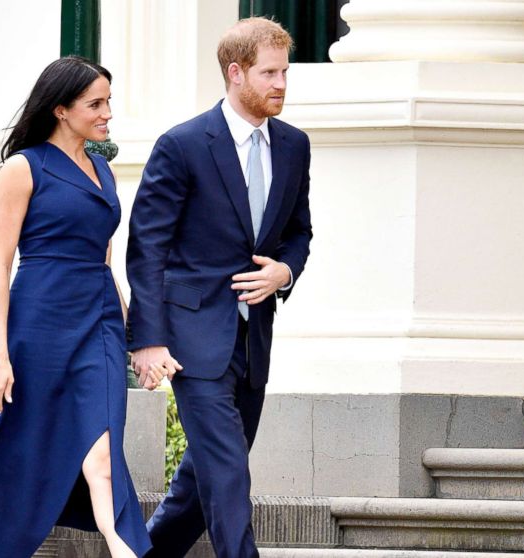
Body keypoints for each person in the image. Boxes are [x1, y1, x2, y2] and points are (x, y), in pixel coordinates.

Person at [0, 56, 151, 558]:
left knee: (104, 444)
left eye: (108, 101)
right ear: (60, 109)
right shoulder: (23, 168)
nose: (107, 112)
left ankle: (121, 544)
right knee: (27, 438)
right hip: (41, 320)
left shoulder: (103, 170)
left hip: (99, 321)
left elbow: (107, 260)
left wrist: (134, 337)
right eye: (96, 103)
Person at [126, 17, 312, 558]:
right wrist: (148, 339)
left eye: (284, 72)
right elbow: (148, 248)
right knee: (228, 470)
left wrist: (286, 271)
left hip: (253, 340)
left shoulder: (295, 146)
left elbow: (299, 230)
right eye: (269, 72)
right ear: (236, 73)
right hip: (190, 338)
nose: (281, 83)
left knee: (202, 477)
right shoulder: (182, 145)